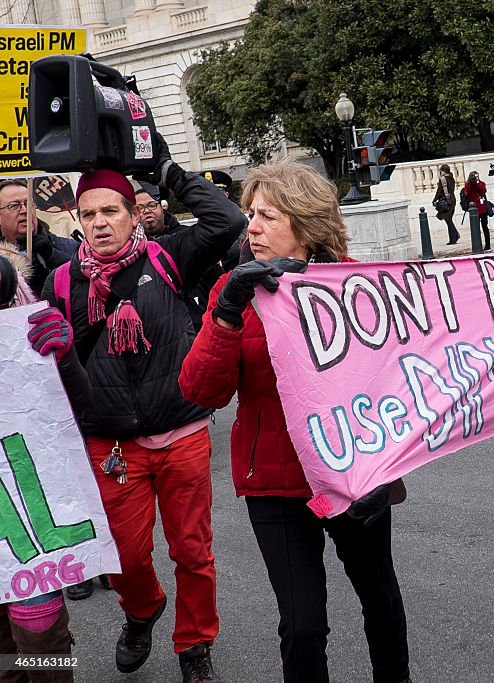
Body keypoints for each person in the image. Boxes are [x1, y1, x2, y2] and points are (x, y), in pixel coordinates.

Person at [178, 160, 411, 683]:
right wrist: (227, 313)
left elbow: (396, 383)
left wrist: (384, 469)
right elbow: (199, 391)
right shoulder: (231, 292)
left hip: (354, 474)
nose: (251, 227)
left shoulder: (356, 284)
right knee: (303, 626)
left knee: (382, 600)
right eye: (249, 214)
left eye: (267, 216)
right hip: (277, 486)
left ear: (306, 226)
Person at [42, 136, 246, 682]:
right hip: (111, 446)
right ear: (77, 220)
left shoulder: (169, 255)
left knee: (193, 552)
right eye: (88, 214)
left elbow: (226, 219)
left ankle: (194, 645)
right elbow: (47, 371)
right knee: (126, 560)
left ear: (135, 214)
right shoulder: (62, 281)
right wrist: (54, 348)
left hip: (181, 433)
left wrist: (164, 168)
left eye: (111, 210)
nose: (100, 222)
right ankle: (143, 609)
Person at [0, 247, 91, 683]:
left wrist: (64, 357)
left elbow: (78, 413)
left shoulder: (25, 313)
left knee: (40, 643)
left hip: (28, 519)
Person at [133, 180, 224, 331]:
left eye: (151, 205)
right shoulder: (132, 251)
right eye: (140, 208)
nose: (146, 211)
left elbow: (216, 280)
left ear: (162, 207)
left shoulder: (187, 237)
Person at [0, 178, 76, 296]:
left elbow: (84, 280)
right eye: (14, 206)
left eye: (29, 203)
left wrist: (52, 256)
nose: (25, 210)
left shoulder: (69, 247)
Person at [464, 171, 491, 250]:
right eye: (473, 176)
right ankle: (477, 245)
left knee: (485, 227)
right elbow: (467, 193)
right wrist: (470, 183)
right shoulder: (468, 184)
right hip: (474, 210)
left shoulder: (481, 183)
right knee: (475, 228)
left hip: (482, 209)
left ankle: (487, 244)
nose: (475, 178)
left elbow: (483, 190)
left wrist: (477, 182)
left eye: (476, 176)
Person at [433, 164, 458, 245]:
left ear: (443, 171)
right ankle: (454, 236)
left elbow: (439, 191)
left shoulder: (443, 179)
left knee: (448, 219)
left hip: (447, 201)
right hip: (452, 200)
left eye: (441, 171)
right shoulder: (452, 178)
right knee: (449, 219)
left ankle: (454, 238)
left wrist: (434, 200)